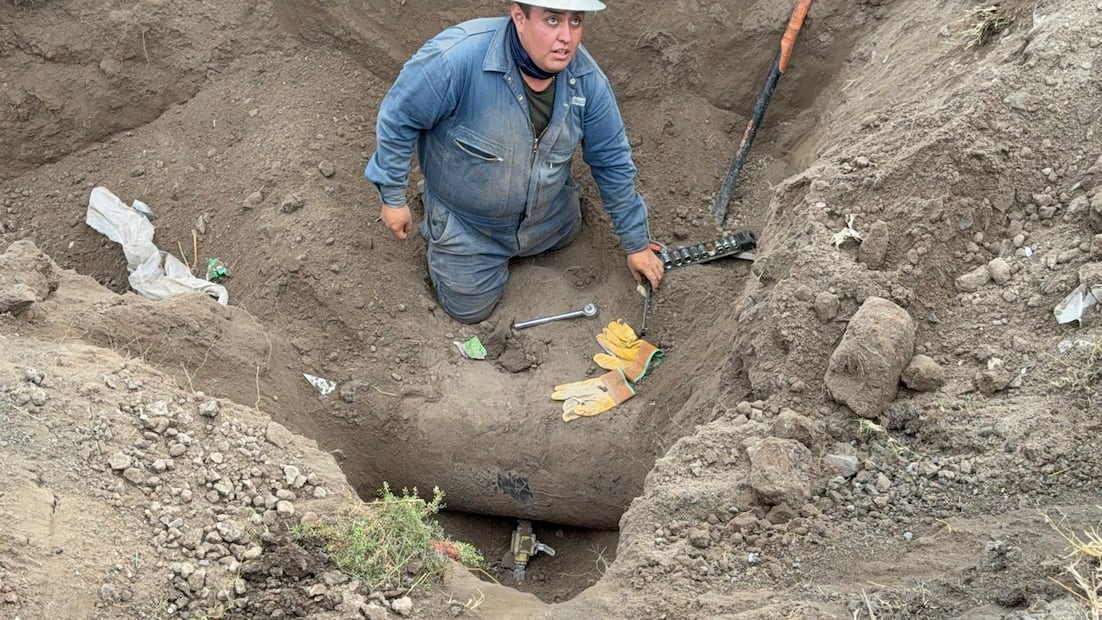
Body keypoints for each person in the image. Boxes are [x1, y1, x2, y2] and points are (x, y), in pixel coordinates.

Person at [365, 0, 664, 324]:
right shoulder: (455, 59)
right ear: (519, 17)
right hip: (470, 225)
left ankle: (533, 236)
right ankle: (436, 216)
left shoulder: (587, 80)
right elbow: (398, 118)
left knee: (571, 234)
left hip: (549, 219)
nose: (567, 37)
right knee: (468, 311)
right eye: (552, 20)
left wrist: (636, 243)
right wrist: (393, 197)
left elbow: (612, 161)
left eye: (575, 21)